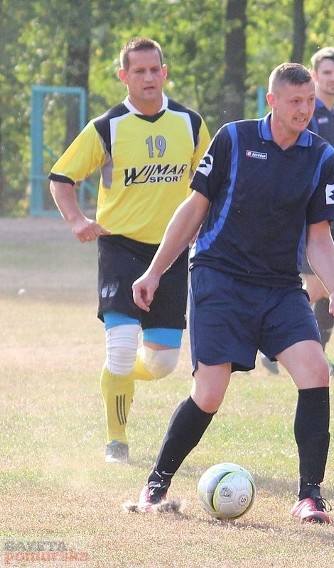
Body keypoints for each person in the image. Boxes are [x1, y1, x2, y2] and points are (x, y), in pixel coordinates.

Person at [125, 62, 334, 524]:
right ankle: (156, 484)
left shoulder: (321, 155)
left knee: (316, 371)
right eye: (295, 101)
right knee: (209, 393)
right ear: (271, 101)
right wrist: (153, 272)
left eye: (310, 101)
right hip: (219, 277)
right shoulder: (234, 139)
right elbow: (194, 209)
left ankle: (309, 495)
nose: (304, 110)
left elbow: (319, 235)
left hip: (279, 286)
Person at [48, 37, 210, 464]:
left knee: (161, 365)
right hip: (120, 248)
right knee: (120, 347)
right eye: (138, 71)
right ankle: (116, 439)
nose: (148, 77)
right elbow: (61, 177)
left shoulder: (191, 124)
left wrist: (204, 225)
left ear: (165, 72)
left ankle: (118, 375)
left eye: (154, 69)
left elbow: (214, 184)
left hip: (172, 254)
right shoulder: (108, 126)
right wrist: (78, 220)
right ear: (124, 76)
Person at [261, 47, 334, 376]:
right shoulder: (309, 114)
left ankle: (318, 352)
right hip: (309, 214)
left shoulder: (332, 113)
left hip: (331, 209)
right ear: (314, 76)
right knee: (317, 287)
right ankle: (277, 346)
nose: (333, 78)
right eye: (326, 72)